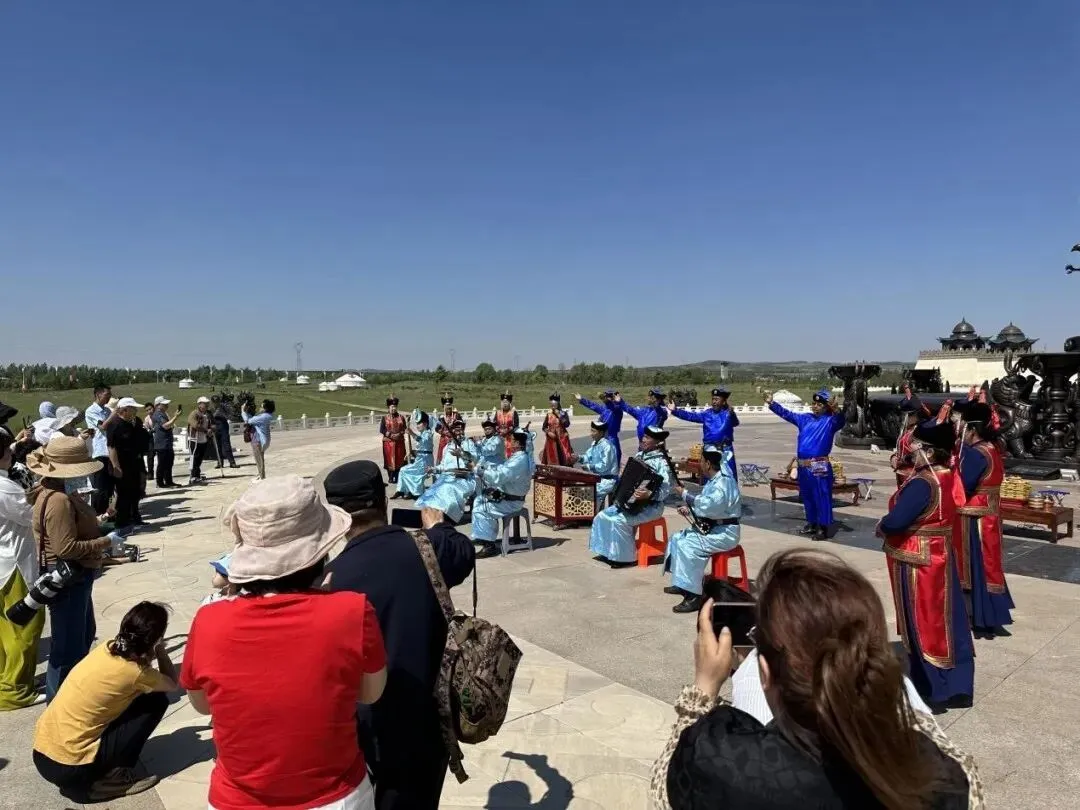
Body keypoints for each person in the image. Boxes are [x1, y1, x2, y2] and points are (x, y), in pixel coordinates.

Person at [651, 548, 984, 810]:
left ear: (764, 673)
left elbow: (663, 790)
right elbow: (952, 758)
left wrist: (704, 687)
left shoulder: (720, 763)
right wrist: (889, 688)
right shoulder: (942, 778)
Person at [180, 476, 386, 810]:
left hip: (237, 799)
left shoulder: (208, 621)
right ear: (318, 552)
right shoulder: (351, 611)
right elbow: (370, 693)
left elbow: (202, 705)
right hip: (335, 795)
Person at [323, 460, 475, 810]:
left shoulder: (331, 578)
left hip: (363, 729)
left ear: (336, 516)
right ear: (383, 500)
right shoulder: (429, 549)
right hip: (426, 722)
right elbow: (463, 553)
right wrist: (438, 527)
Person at [32, 602, 178, 802]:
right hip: (69, 767)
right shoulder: (135, 673)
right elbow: (171, 683)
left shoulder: (107, 648)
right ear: (155, 638)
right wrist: (160, 650)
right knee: (156, 701)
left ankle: (94, 773)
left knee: (133, 697)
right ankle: (112, 778)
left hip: (42, 753)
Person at [877, 421, 975, 710]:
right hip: (941, 555)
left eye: (917, 448)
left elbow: (897, 521)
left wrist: (883, 525)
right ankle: (958, 686)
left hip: (918, 563)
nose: (912, 452)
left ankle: (933, 689)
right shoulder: (948, 475)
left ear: (930, 452)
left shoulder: (923, 483)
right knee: (950, 621)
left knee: (924, 624)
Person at [26, 437, 114, 701]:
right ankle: (60, 705)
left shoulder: (52, 492)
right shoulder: (59, 501)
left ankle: (70, 698)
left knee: (81, 636)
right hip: (69, 577)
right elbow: (66, 548)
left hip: (72, 576)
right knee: (68, 647)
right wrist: (105, 541)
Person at [952, 400, 1014, 636]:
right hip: (989, 516)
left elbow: (963, 486)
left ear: (971, 429)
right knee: (988, 565)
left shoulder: (976, 454)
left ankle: (978, 614)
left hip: (974, 520)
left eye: (963, 427)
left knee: (975, 567)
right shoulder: (992, 448)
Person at [664, 444, 741, 613]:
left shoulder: (723, 483)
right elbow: (707, 506)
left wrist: (685, 494)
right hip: (715, 528)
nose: (700, 463)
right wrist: (689, 508)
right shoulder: (715, 481)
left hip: (725, 533)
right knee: (677, 538)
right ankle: (682, 582)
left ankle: (694, 596)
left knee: (688, 546)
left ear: (707, 463)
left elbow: (710, 506)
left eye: (701, 460)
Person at [0, 428, 44, 710]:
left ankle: (6, 681)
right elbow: (32, 516)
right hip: (13, 562)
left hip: (2, 562)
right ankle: (14, 691)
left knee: (5, 630)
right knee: (26, 625)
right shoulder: (5, 487)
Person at [766, 388, 845, 541]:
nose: (815, 406)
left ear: (826, 407)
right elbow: (787, 414)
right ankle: (812, 523)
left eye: (819, 404)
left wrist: (836, 408)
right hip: (803, 465)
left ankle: (823, 527)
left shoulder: (830, 421)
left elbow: (841, 419)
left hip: (819, 464)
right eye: (814, 403)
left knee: (821, 495)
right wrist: (772, 403)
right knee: (807, 496)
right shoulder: (805, 419)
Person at [588, 425, 673, 568]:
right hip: (632, 502)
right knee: (601, 516)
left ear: (657, 443)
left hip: (651, 507)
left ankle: (625, 558)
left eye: (647, 438)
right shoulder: (640, 456)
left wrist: (649, 494)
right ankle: (607, 552)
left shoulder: (662, 463)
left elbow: (666, 490)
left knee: (619, 521)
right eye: (644, 436)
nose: (643, 439)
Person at [469, 428, 534, 559]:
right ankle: (483, 536)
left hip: (512, 501)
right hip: (509, 496)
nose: (509, 442)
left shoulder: (519, 460)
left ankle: (489, 546)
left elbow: (500, 476)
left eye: (512, 440)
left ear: (518, 444)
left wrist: (479, 471)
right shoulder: (518, 457)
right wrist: (485, 469)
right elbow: (502, 469)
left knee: (482, 509)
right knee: (479, 500)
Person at [416, 419, 479, 524]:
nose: (458, 432)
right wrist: (433, 469)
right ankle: (434, 516)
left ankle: (450, 517)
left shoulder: (469, 443)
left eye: (460, 429)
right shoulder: (447, 447)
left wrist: (462, 454)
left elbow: (474, 458)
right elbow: (443, 466)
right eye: (456, 429)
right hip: (447, 476)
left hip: (463, 477)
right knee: (433, 490)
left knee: (447, 488)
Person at [668, 387, 740, 478]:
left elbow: (736, 423)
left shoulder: (729, 413)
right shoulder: (707, 414)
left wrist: (732, 413)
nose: (714, 402)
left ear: (723, 401)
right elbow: (691, 416)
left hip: (725, 451)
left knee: (728, 478)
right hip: (710, 450)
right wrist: (675, 410)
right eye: (713, 399)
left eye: (717, 399)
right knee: (710, 477)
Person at [106, 398, 147, 531]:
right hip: (122, 464)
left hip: (134, 463)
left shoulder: (131, 424)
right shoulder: (115, 425)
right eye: (133, 408)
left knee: (135, 490)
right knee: (124, 493)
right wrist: (116, 466)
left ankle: (134, 516)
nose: (135, 411)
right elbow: (111, 447)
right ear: (124, 410)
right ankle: (122, 521)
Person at [84, 384, 118, 515]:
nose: (109, 397)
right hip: (100, 452)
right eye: (107, 395)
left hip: (110, 451)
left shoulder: (107, 410)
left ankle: (108, 514)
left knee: (109, 487)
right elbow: (103, 426)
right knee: (100, 487)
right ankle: (98, 515)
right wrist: (114, 413)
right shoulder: (91, 411)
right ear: (98, 395)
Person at [573, 419, 619, 512]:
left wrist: (590, 467)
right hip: (598, 479)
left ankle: (595, 515)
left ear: (601, 433)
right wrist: (578, 458)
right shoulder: (595, 444)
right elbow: (587, 456)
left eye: (594, 431)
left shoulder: (607, 446)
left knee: (590, 493)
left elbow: (604, 466)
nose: (591, 434)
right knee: (582, 489)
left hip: (607, 480)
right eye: (591, 430)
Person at [576, 390, 625, 465]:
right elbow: (594, 406)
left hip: (611, 441)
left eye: (609, 397)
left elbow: (614, 407)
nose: (607, 399)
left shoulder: (618, 411)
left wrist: (608, 401)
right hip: (602, 439)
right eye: (606, 397)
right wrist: (581, 400)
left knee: (611, 465)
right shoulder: (605, 410)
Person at [395, 411, 434, 500]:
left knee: (409, 472)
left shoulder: (428, 433)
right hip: (419, 461)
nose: (417, 426)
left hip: (425, 462)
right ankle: (402, 490)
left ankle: (414, 492)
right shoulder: (422, 433)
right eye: (417, 424)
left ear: (425, 424)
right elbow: (421, 448)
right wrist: (411, 452)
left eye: (419, 424)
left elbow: (422, 440)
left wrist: (412, 433)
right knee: (403, 470)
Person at [151, 396, 182, 488]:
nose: (167, 405)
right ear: (158, 405)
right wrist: (176, 417)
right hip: (161, 443)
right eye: (164, 404)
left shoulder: (164, 414)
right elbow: (165, 426)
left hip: (167, 443)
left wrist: (174, 417)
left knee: (169, 463)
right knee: (162, 464)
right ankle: (160, 483)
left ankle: (169, 481)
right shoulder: (157, 414)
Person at [241, 398, 275, 480]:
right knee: (260, 458)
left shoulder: (263, 417)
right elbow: (253, 419)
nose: (260, 408)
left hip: (258, 441)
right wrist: (246, 412)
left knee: (258, 459)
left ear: (265, 408)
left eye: (261, 406)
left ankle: (262, 477)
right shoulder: (267, 416)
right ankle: (261, 475)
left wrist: (242, 411)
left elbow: (248, 421)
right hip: (261, 440)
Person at [379, 397, 408, 484]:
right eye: (392, 407)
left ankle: (398, 476)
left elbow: (404, 428)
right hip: (388, 443)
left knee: (400, 459)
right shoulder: (385, 418)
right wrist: (390, 435)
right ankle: (391, 477)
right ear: (388, 407)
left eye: (395, 407)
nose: (393, 408)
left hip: (399, 442)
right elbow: (382, 429)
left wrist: (399, 434)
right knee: (389, 459)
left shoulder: (401, 417)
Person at [540, 393, 572, 466]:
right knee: (552, 458)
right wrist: (548, 432)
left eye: (554, 405)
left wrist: (559, 415)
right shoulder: (549, 414)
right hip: (552, 439)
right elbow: (544, 427)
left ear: (558, 404)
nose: (553, 407)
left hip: (562, 439)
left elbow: (567, 424)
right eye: (551, 405)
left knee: (564, 457)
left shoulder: (563, 413)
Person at [186, 396, 212, 484]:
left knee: (200, 458)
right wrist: (206, 430)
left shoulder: (208, 414)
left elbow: (212, 423)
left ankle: (197, 475)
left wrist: (211, 429)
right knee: (194, 458)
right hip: (194, 439)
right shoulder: (194, 413)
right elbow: (194, 425)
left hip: (203, 439)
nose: (207, 405)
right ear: (199, 404)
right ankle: (193, 476)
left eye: (207, 404)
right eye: (205, 404)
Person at [433, 393, 461, 465]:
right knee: (442, 455)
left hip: (454, 438)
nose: (448, 408)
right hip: (444, 439)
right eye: (446, 406)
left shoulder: (456, 415)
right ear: (443, 407)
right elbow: (437, 428)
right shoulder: (441, 417)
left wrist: (455, 431)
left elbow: (461, 426)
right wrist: (444, 432)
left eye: (449, 406)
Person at [210, 396, 238, 469]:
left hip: (223, 426)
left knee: (226, 444)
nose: (216, 403)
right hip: (215, 426)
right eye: (214, 402)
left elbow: (230, 415)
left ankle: (232, 462)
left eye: (217, 401)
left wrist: (222, 413)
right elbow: (209, 418)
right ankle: (220, 462)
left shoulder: (223, 407)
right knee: (217, 445)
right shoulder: (210, 409)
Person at [494, 391, 519, 459]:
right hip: (499, 437)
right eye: (503, 402)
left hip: (510, 438)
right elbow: (494, 424)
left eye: (506, 402)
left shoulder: (513, 413)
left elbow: (516, 426)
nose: (505, 404)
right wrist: (499, 431)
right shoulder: (498, 413)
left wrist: (508, 431)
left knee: (510, 456)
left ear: (510, 403)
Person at [141, 403, 156, 480]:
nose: (149, 411)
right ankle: (150, 473)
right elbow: (146, 429)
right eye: (147, 410)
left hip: (159, 437)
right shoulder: (147, 418)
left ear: (154, 408)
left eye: (150, 409)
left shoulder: (159, 415)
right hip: (152, 438)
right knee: (150, 456)